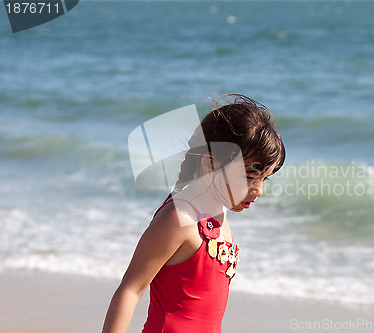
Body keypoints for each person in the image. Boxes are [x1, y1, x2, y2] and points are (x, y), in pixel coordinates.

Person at [102, 94, 286, 333]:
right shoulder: (179, 218)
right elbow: (130, 289)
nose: (259, 190)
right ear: (210, 164)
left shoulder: (220, 215)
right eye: (249, 177)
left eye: (265, 178)